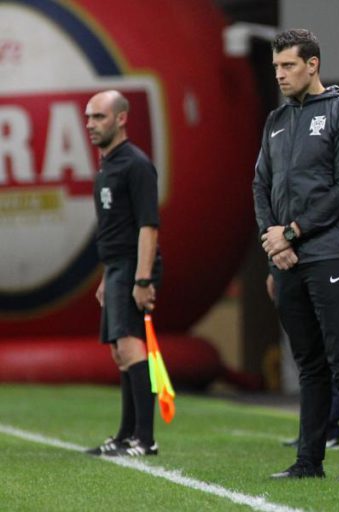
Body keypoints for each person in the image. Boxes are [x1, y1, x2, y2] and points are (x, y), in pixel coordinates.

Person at [253, 29, 339, 481]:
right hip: (285, 259)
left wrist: (291, 232)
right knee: (308, 364)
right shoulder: (276, 120)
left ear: (313, 65)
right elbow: (260, 185)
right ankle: (309, 462)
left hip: (329, 255)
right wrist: (273, 242)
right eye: (276, 67)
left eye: (288, 65)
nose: (280, 75)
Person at [84, 90, 163, 457]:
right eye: (88, 117)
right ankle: (125, 434)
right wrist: (107, 276)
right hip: (117, 267)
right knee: (120, 351)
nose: (90, 124)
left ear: (121, 119)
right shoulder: (107, 165)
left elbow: (148, 226)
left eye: (99, 117)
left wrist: (142, 279)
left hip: (134, 266)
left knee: (131, 346)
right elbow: (115, 229)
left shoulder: (136, 165)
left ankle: (145, 440)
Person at [267, 275, 339, 450]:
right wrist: (274, 272)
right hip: (302, 282)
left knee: (327, 367)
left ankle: (329, 432)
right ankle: (311, 434)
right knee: (311, 366)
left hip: (323, 281)